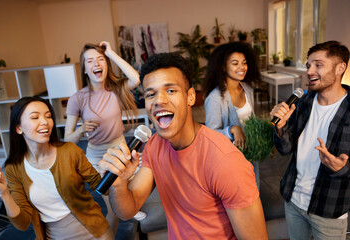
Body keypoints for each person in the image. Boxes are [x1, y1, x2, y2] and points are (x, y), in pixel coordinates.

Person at [99, 52, 268, 239]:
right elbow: (128, 210)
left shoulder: (226, 161)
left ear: (190, 97)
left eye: (170, 90)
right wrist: (119, 184)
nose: (159, 100)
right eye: (151, 94)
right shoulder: (154, 146)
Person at [0, 96, 113, 240]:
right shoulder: (14, 168)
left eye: (48, 116)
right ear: (18, 128)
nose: (44, 122)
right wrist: (4, 193)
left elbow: (101, 187)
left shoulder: (70, 151)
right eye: (35, 117)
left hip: (95, 233)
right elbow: (22, 224)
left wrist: (111, 173)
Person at [270, 41, 350, 239]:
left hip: (328, 209)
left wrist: (342, 168)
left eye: (318, 65)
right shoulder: (303, 102)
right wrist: (280, 128)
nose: (310, 71)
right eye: (308, 66)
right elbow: (285, 149)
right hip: (294, 200)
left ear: (340, 68)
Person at [64, 41, 140, 233]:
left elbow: (135, 78)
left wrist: (112, 53)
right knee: (113, 207)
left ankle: (130, 211)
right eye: (90, 61)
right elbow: (67, 140)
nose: (96, 64)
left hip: (120, 150)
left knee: (124, 195)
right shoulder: (77, 99)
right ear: (85, 70)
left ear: (106, 64)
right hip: (97, 158)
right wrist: (81, 130)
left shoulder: (116, 89)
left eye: (100, 59)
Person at [203, 41, 261, 150]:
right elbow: (211, 136)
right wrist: (232, 130)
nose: (242, 67)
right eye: (235, 63)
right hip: (230, 157)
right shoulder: (215, 98)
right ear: (224, 67)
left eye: (244, 63)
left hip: (250, 153)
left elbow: (251, 120)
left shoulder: (247, 89)